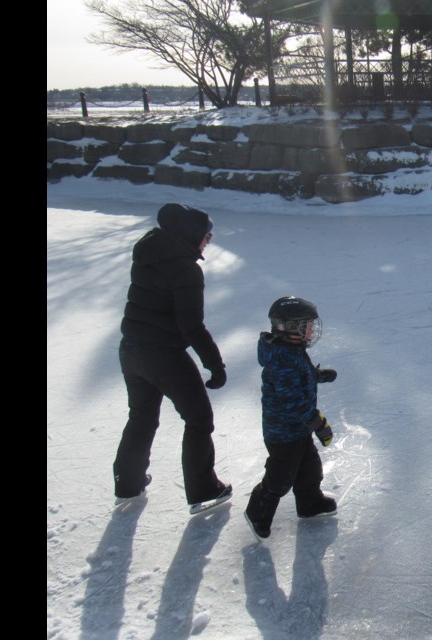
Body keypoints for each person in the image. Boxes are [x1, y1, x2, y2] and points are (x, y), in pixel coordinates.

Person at [113, 203, 232, 514]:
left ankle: (128, 481)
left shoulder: (148, 255)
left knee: (142, 416)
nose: (209, 240)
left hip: (131, 351)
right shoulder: (186, 269)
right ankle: (204, 490)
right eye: (207, 234)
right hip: (164, 356)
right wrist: (215, 364)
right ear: (192, 234)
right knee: (199, 419)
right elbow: (191, 327)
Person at [245, 296, 338, 540]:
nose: (312, 330)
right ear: (291, 327)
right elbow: (293, 403)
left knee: (310, 469)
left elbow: (300, 375)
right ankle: (258, 512)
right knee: (280, 477)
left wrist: (316, 375)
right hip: (283, 433)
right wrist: (319, 424)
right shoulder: (282, 360)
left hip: (297, 430)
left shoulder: (290, 351)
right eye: (307, 325)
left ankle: (310, 504)